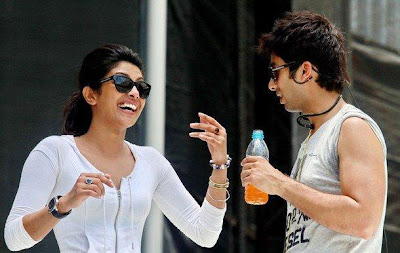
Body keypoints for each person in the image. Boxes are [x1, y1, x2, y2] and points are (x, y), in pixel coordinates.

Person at [4, 44, 230, 252]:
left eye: (141, 87)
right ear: (91, 94)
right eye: (122, 82)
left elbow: (204, 234)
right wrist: (64, 204)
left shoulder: (151, 162)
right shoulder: (55, 152)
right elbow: (14, 239)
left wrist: (220, 164)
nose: (134, 93)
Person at [241, 11, 387, 252]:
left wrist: (280, 184)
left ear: (305, 71)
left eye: (276, 72)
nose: (271, 84)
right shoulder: (316, 134)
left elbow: (364, 221)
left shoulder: (352, 127)